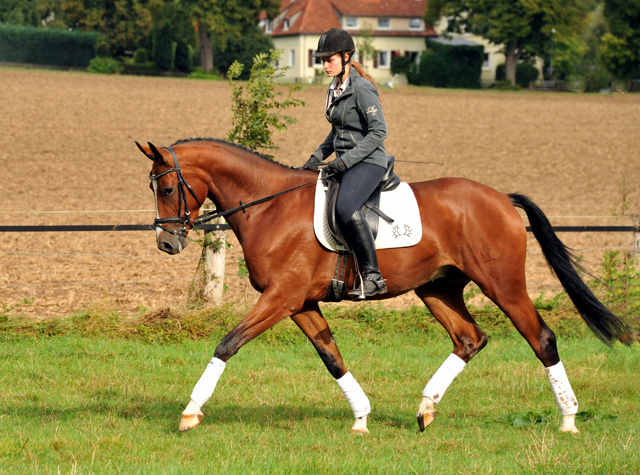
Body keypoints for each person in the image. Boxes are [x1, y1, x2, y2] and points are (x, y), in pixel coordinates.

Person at [303, 28, 389, 298]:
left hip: (368, 162)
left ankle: (373, 276)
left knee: (345, 207)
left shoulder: (361, 88)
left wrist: (344, 162)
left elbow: (378, 132)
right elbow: (337, 130)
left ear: (346, 56)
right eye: (322, 60)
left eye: (329, 59)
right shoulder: (334, 88)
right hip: (345, 162)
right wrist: (316, 157)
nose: (324, 65)